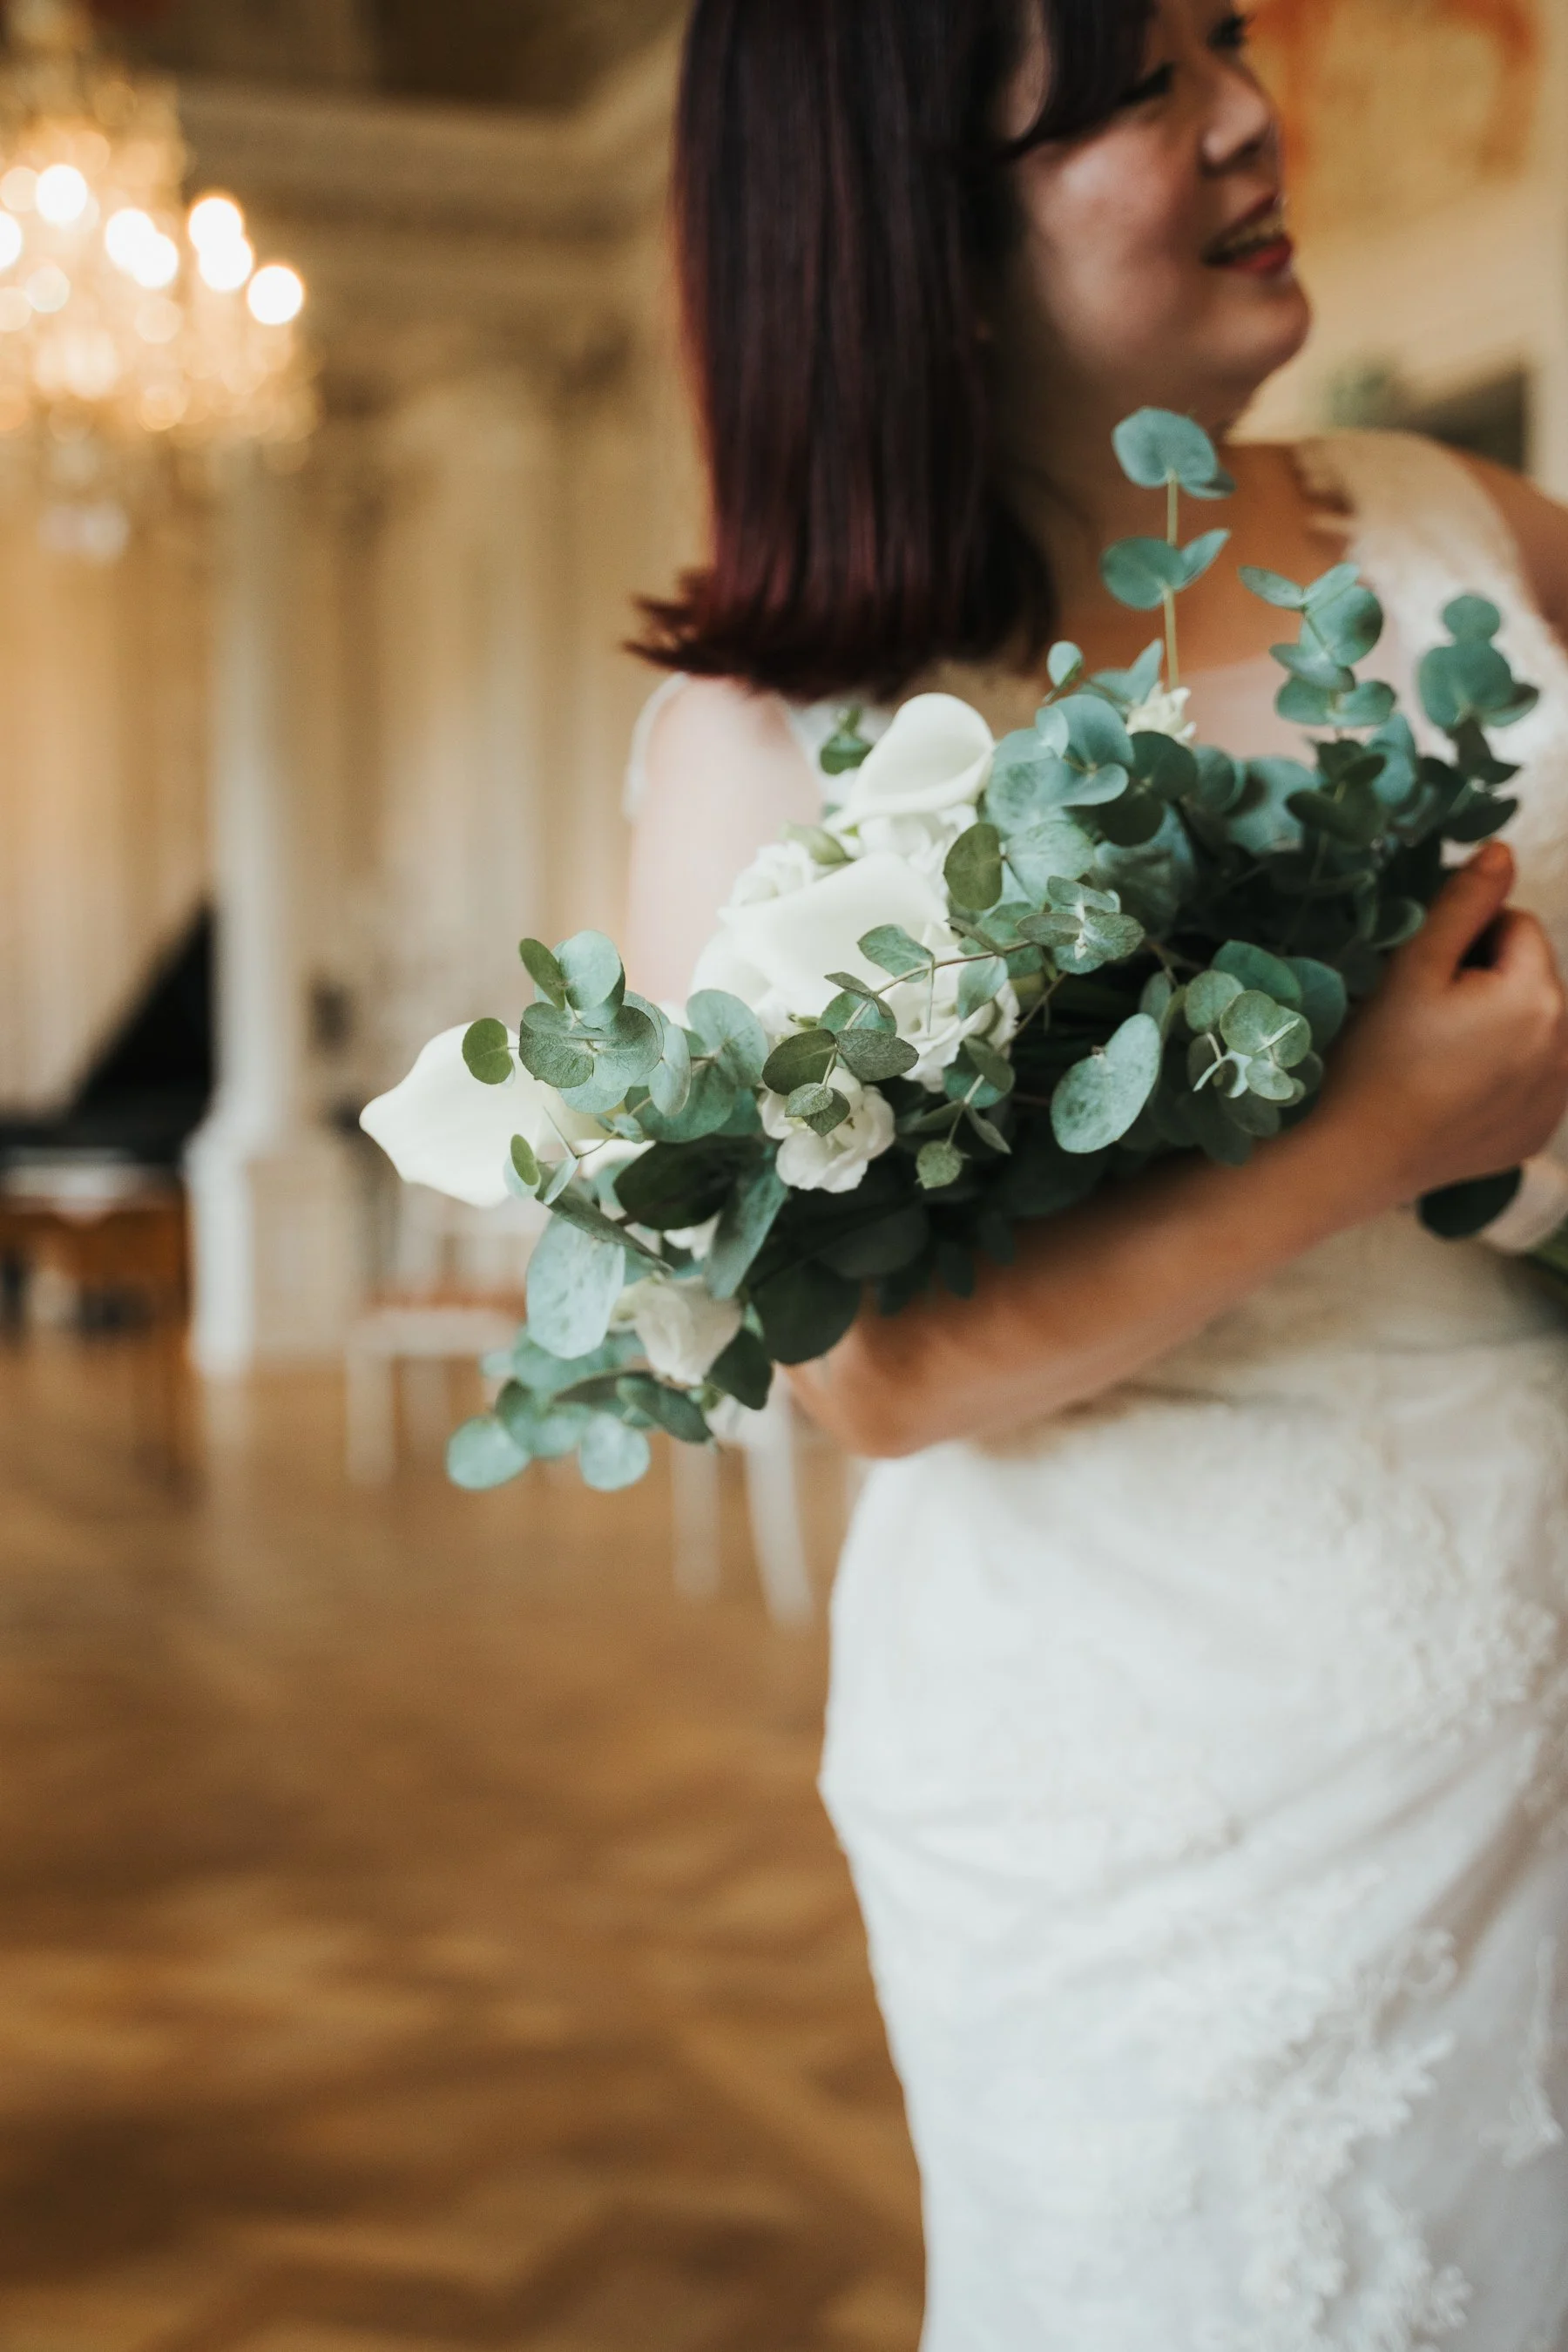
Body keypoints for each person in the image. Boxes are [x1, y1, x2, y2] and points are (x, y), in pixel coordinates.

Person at [625, 3, 1568, 2342]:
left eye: (1226, 34)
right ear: (924, 235)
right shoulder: (782, 739)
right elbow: (870, 1369)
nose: (1257, 111)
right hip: (1148, 1807)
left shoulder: (1479, 538)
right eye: (1143, 85)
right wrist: (1373, 1141)